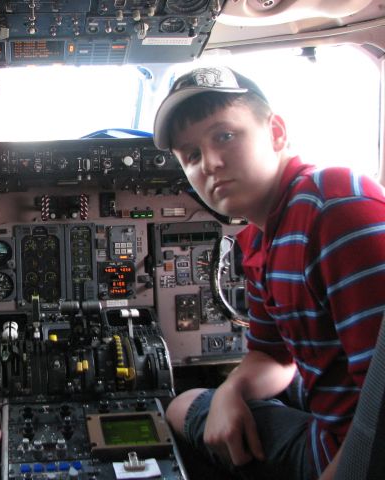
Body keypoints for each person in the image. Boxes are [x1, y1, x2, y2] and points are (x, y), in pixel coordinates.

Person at [153, 66, 385, 480]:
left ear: (276, 132)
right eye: (191, 155)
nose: (210, 163)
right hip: (332, 403)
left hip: (350, 449)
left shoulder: (335, 205)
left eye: (225, 135)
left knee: (182, 405)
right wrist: (232, 389)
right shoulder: (258, 240)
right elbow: (272, 355)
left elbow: (380, 403)